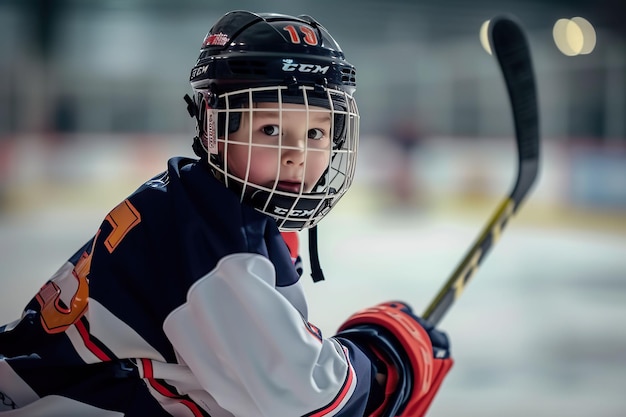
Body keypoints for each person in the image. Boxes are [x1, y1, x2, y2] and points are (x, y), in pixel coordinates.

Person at [0, 11, 453, 417]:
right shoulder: (219, 247)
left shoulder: (191, 201)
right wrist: (380, 360)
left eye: (316, 132)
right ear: (215, 127)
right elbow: (305, 401)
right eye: (271, 128)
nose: (296, 154)